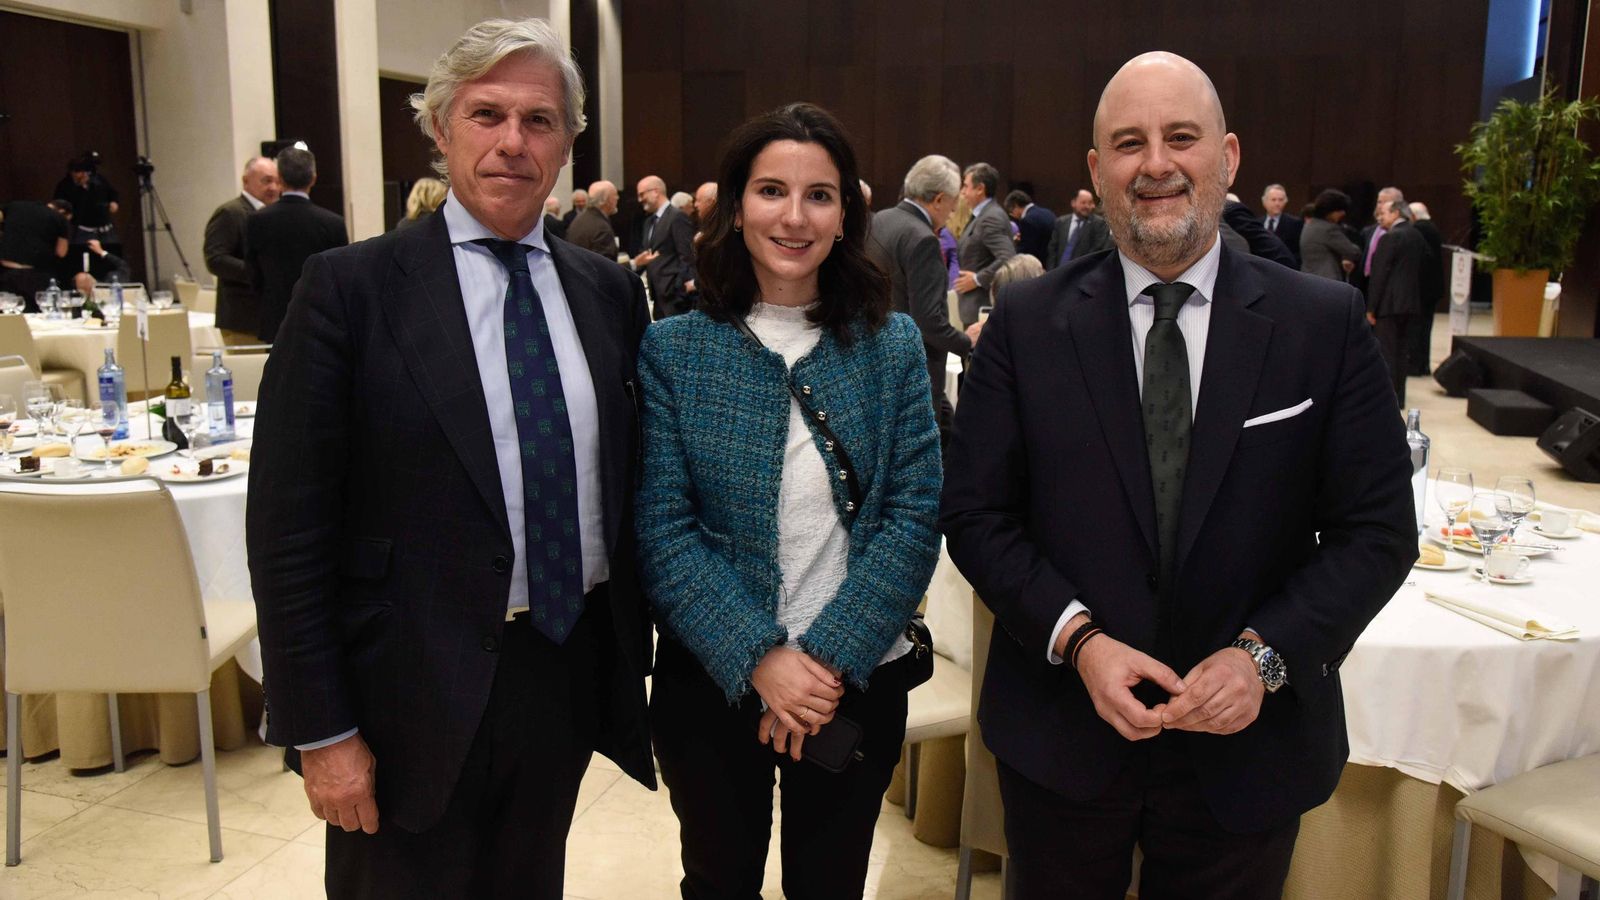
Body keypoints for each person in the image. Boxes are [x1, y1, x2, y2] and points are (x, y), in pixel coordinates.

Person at [940, 51, 1416, 900]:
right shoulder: (1026, 322)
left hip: (1248, 753)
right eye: (1129, 142)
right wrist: (1078, 640)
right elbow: (977, 515)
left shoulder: (1323, 323)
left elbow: (1377, 532)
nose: (1156, 163)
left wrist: (1262, 660)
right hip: (1063, 740)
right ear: (1098, 170)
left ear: (1227, 159)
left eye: (1181, 137)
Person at [247, 18, 656, 898]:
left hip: (561, 665)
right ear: (440, 130)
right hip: (403, 690)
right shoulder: (350, 291)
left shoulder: (608, 293)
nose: (513, 142)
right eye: (486, 115)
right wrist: (321, 731)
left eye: (539, 120)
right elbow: (287, 532)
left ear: (569, 142)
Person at [636, 101, 942, 900]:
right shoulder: (675, 349)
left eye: (820, 195)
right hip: (712, 679)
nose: (795, 216)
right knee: (716, 879)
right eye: (772, 190)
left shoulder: (892, 345)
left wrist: (823, 664)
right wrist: (761, 659)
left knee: (830, 884)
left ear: (847, 215)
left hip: (855, 684)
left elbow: (912, 515)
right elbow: (665, 528)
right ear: (735, 208)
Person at [867, 153, 970, 444]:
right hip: (915, 369)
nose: (953, 211)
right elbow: (928, 322)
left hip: (876, 354)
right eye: (952, 203)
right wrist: (968, 342)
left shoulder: (881, 219)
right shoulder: (923, 238)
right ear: (938, 199)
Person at [245, 145, 348, 342]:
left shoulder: (257, 220)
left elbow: (253, 274)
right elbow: (341, 276)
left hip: (274, 318)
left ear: (280, 179)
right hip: (320, 318)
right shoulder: (332, 222)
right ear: (313, 178)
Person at [204, 156, 281, 341]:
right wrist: (259, 272)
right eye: (266, 181)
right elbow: (216, 259)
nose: (273, 188)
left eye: (277, 182)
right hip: (242, 319)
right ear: (246, 181)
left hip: (269, 318)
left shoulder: (273, 214)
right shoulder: (230, 212)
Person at [1365, 198, 1427, 405]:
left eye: (1384, 213)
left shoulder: (1391, 237)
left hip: (1389, 304)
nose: (1381, 217)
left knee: (1388, 352)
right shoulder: (1417, 235)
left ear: (1395, 213)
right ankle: (1399, 396)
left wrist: (1371, 307)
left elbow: (1379, 275)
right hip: (1411, 303)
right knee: (1402, 352)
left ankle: (1388, 400)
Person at [954, 162, 1016, 325]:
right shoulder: (983, 215)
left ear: (980, 189)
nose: (963, 192)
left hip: (982, 308)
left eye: (966, 186)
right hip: (974, 308)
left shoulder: (990, 217)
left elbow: (1007, 258)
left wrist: (977, 279)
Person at [631, 175, 697, 319]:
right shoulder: (649, 222)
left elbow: (687, 256)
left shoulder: (677, 217)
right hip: (658, 297)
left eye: (642, 194)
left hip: (675, 298)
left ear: (655, 191)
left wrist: (680, 289)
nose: (639, 199)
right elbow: (646, 254)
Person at [0, 199, 71, 310]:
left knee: (8, 316)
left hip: (8, 271)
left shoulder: (14, 205)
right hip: (37, 276)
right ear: (62, 211)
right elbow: (61, 252)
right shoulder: (59, 218)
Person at [53, 153, 122, 258]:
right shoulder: (64, 186)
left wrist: (114, 202)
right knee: (84, 258)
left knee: (111, 256)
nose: (83, 175)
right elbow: (60, 206)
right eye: (78, 172)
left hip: (106, 228)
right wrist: (81, 188)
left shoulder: (98, 179)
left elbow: (111, 192)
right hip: (83, 230)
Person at [1407, 201, 1444, 375]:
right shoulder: (1433, 228)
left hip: (1422, 289)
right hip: (1433, 288)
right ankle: (1423, 364)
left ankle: (1416, 365)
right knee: (1426, 328)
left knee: (1418, 328)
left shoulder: (1419, 231)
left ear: (1413, 216)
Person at [1046, 189, 1115, 270]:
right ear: (1073, 203)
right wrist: (1051, 271)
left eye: (1090, 203)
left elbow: (1096, 250)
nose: (1087, 206)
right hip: (1056, 271)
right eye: (1083, 203)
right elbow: (1052, 250)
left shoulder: (1099, 224)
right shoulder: (1061, 222)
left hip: (1080, 272)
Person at [564, 179, 619, 256]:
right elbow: (605, 265)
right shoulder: (601, 227)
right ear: (607, 199)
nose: (617, 198)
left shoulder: (580, 219)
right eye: (615, 195)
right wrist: (632, 264)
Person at [1004, 190, 1056, 263]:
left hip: (1040, 264)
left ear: (1016, 206)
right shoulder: (1047, 212)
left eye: (1011, 212)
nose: (1013, 216)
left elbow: (1026, 251)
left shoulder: (1027, 221)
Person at [1259, 184, 1303, 267]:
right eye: (1273, 200)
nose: (1277, 203)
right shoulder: (1258, 223)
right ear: (1265, 202)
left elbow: (1297, 253)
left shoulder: (1294, 223)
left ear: (1285, 202)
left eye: (1280, 200)